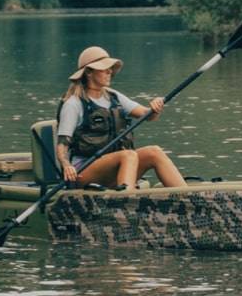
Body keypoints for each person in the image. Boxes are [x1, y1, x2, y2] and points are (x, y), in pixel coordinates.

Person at [56, 46, 186, 189]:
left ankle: (186, 197)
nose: (109, 71)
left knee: (154, 152)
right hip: (83, 172)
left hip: (115, 168)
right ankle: (127, 201)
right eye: (104, 68)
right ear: (88, 72)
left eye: (110, 68)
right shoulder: (73, 104)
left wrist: (155, 107)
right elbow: (62, 144)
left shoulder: (114, 97)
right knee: (128, 155)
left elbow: (148, 115)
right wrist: (67, 166)